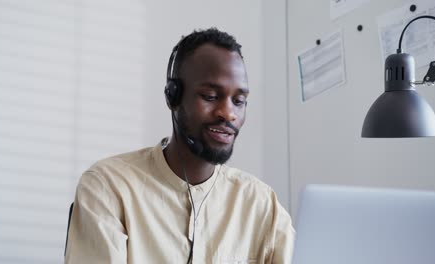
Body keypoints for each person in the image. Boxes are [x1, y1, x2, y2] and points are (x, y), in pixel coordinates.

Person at [64, 28, 295, 264]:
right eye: (210, 96)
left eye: (239, 101)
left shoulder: (262, 204)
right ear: (173, 97)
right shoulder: (108, 187)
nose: (229, 113)